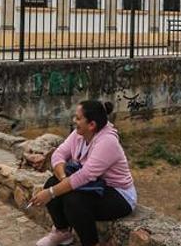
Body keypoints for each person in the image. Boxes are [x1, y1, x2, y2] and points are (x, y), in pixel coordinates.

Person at [29, 101, 136, 246]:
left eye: (78, 118)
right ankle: (63, 232)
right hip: (95, 185)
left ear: (91, 125)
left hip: (118, 193)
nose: (74, 121)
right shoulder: (79, 134)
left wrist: (50, 193)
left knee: (73, 200)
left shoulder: (107, 142)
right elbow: (58, 154)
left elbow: (85, 175)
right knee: (52, 182)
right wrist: (62, 179)